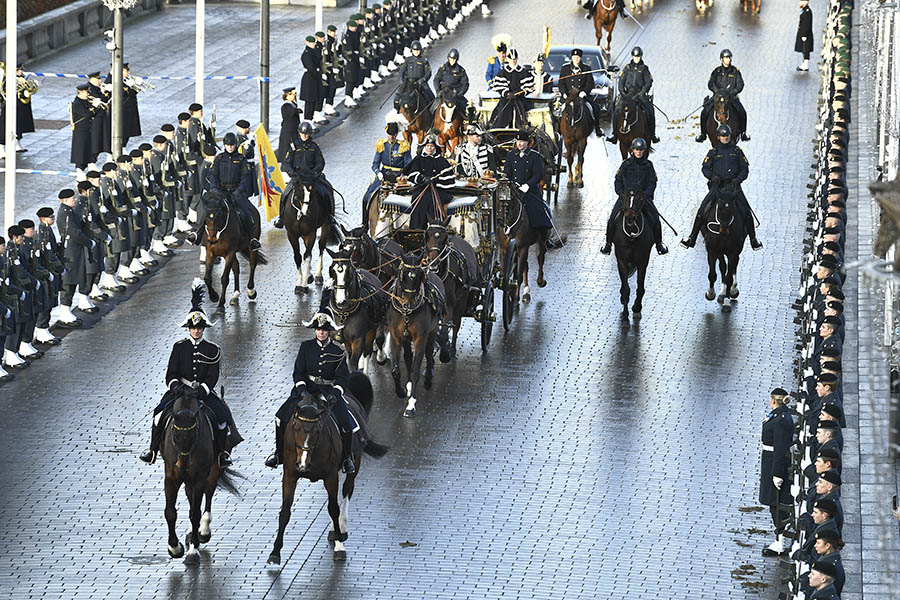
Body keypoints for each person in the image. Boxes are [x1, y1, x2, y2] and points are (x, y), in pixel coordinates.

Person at [140, 280, 242, 468]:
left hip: (201, 393)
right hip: (180, 392)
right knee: (158, 413)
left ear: (204, 329)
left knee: (221, 417)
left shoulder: (212, 349)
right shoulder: (179, 347)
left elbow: (212, 376)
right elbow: (171, 373)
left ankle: (222, 454)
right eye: (193, 328)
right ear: (188, 328)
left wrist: (201, 390)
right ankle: (152, 450)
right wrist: (176, 386)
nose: (196, 331)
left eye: (199, 328)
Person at [265, 313, 357, 473]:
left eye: (324, 330)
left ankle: (347, 459)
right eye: (318, 329)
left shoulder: (338, 350)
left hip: (328, 391)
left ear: (329, 331)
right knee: (280, 418)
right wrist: (301, 390)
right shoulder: (305, 347)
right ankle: (278, 454)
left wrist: (336, 392)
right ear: (315, 331)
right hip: (306, 390)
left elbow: (343, 376)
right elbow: (298, 372)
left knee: (347, 424)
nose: (321, 332)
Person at [680, 124, 762, 250]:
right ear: (718, 137)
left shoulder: (737, 151)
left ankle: (753, 239)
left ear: (730, 136)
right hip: (718, 187)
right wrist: (712, 177)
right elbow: (705, 168)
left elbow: (744, 169)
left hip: (733, 187)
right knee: (703, 209)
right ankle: (692, 237)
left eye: (727, 136)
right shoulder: (713, 152)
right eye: (723, 136)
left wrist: (738, 179)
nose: (725, 138)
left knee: (746, 211)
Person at [601, 138, 666, 255]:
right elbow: (618, 180)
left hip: (642, 198)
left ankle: (659, 244)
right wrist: (621, 194)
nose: (639, 152)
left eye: (641, 150)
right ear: (633, 150)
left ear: (644, 151)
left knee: (656, 220)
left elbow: (653, 181)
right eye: (637, 149)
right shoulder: (626, 164)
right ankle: (608, 244)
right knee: (612, 219)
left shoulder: (648, 165)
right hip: (626, 198)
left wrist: (647, 194)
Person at [198, 132, 261, 251]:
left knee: (247, 213)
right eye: (227, 145)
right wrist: (215, 189)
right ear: (224, 145)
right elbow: (213, 176)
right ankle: (197, 234)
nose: (230, 147)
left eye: (232, 145)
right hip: (221, 192)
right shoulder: (219, 158)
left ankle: (252, 239)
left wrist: (238, 191)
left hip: (236, 192)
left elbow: (245, 178)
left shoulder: (241, 159)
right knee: (209, 211)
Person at [275, 121, 335, 229]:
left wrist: (315, 171)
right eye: (303, 134)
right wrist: (292, 172)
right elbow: (287, 162)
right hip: (298, 177)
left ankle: (329, 216)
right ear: (299, 133)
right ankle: (281, 218)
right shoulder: (293, 147)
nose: (304, 136)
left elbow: (321, 162)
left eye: (307, 134)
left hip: (311, 177)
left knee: (325, 193)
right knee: (284, 194)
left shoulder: (314, 147)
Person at [757, 388, 794, 557]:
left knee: (777, 503)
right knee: (774, 502)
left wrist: (777, 473)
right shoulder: (779, 415)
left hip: (774, 462)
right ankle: (779, 537)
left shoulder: (781, 419)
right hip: (770, 460)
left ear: (773, 400)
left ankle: (781, 541)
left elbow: (780, 448)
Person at [55, 189, 92, 329]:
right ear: (64, 200)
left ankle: (67, 309)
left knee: (74, 279)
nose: (74, 200)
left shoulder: (70, 212)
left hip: (75, 250)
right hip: (70, 251)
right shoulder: (65, 214)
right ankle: (64, 311)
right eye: (72, 198)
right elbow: (74, 232)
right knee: (69, 281)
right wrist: (88, 242)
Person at [362, 122, 412, 226]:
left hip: (399, 177)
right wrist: (378, 173)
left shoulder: (403, 145)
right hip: (383, 176)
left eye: (393, 135)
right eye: (390, 134)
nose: (391, 137)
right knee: (367, 197)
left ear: (396, 135)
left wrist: (404, 174)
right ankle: (364, 224)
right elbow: (375, 164)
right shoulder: (381, 145)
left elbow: (409, 163)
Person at [504, 128, 554, 233]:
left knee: (537, 210)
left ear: (528, 142)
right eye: (518, 141)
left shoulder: (535, 156)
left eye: (522, 141)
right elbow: (507, 172)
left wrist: (527, 185)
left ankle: (543, 236)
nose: (520, 144)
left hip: (530, 190)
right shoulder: (511, 155)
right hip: (514, 189)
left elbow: (538, 174)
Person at [402, 131, 455, 229]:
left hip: (437, 190)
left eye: (431, 146)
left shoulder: (441, 160)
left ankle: (436, 227)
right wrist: (422, 179)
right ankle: (417, 228)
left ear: (435, 148)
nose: (429, 148)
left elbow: (449, 179)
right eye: (427, 146)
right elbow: (411, 174)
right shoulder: (418, 159)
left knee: (432, 200)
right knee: (418, 199)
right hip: (421, 188)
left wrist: (436, 181)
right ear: (424, 147)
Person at [695, 49, 749, 143]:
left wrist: (731, 93)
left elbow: (740, 85)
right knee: (704, 112)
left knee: (742, 112)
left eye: (730, 57)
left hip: (731, 98)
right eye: (726, 57)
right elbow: (710, 84)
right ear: (721, 59)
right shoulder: (717, 71)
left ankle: (743, 133)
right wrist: (717, 92)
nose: (729, 59)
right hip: (717, 97)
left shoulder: (735, 72)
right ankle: (703, 133)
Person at [607, 47, 658, 144]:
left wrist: (642, 93)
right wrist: (622, 93)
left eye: (638, 57)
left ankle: (652, 135)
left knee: (650, 110)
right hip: (627, 95)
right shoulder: (627, 68)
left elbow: (648, 82)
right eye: (635, 57)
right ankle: (614, 134)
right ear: (632, 57)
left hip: (639, 95)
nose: (636, 59)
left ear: (641, 57)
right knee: (616, 110)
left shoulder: (644, 69)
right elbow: (621, 81)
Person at [33, 207, 64, 346]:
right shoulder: (43, 232)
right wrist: (59, 268)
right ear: (44, 219)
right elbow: (48, 255)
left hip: (50, 271)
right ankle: (42, 330)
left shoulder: (47, 230)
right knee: (46, 302)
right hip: (47, 272)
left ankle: (44, 329)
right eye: (51, 217)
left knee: (50, 301)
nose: (53, 219)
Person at [558, 48, 605, 138]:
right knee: (560, 111)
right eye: (574, 57)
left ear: (580, 58)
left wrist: (584, 92)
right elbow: (561, 83)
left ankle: (597, 128)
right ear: (571, 58)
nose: (576, 59)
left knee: (595, 108)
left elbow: (590, 83)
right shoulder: (565, 69)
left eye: (578, 57)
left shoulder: (587, 68)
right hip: (568, 96)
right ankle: (559, 131)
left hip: (581, 96)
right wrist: (564, 93)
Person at [489, 49, 536, 129]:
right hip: (507, 98)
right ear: (508, 59)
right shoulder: (503, 72)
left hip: (519, 98)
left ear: (517, 59)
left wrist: (521, 92)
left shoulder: (523, 72)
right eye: (511, 59)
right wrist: (507, 93)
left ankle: (522, 128)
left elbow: (529, 86)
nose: (513, 61)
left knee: (521, 112)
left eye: (515, 59)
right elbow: (499, 86)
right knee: (501, 111)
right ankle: (498, 128)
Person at [69, 83, 95, 181]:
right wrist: (93, 107)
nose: (88, 94)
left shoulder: (85, 101)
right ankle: (79, 171)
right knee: (80, 151)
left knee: (87, 149)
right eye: (86, 92)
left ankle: (87, 166)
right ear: (80, 92)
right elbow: (87, 113)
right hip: (80, 130)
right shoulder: (77, 103)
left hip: (87, 129)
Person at [399, 40, 434, 105]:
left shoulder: (424, 60)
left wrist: (423, 80)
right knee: (398, 97)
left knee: (431, 96)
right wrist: (402, 80)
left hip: (420, 82)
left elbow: (428, 72)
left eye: (418, 50)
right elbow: (402, 71)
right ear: (411, 50)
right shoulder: (408, 60)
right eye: (414, 50)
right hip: (409, 82)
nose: (416, 52)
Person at [341, 19, 364, 106]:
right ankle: (348, 98)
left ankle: (353, 94)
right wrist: (357, 57)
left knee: (355, 78)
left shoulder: (354, 33)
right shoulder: (348, 36)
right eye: (353, 27)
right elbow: (349, 50)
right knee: (350, 80)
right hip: (350, 61)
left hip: (355, 59)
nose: (355, 28)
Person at [277, 87, 301, 163]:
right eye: (292, 94)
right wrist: (297, 110)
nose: (294, 96)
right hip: (288, 130)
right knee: (286, 147)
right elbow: (291, 112)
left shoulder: (292, 104)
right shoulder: (286, 105)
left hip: (293, 129)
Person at [795, 0, 813, 72]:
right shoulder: (804, 10)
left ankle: (805, 65)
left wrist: (804, 34)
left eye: (801, 1)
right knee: (803, 49)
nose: (800, 3)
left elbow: (807, 24)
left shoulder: (807, 11)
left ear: (805, 2)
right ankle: (804, 63)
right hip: (803, 33)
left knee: (805, 49)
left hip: (806, 34)